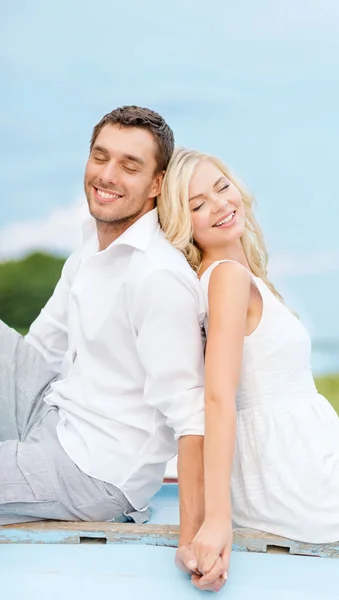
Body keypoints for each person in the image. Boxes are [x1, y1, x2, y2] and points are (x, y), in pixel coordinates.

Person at [0, 106, 226, 591]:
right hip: (53, 413)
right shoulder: (91, 244)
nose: (106, 175)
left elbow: (191, 417)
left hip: (93, 471)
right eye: (100, 157)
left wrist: (194, 536)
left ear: (156, 184)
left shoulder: (157, 278)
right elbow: (41, 346)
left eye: (129, 165)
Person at [158, 146, 339, 583]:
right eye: (198, 205)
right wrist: (216, 521)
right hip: (295, 475)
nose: (220, 205)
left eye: (222, 187)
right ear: (183, 224)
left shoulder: (234, 275)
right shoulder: (226, 276)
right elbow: (218, 396)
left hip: (310, 453)